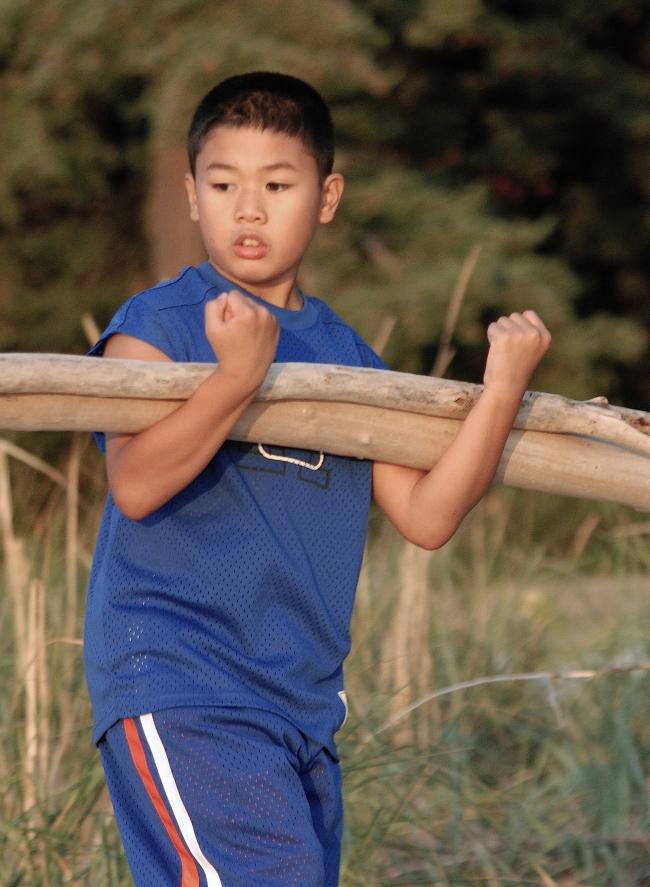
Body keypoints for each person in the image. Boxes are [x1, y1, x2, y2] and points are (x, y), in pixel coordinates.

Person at [85, 71, 551, 886]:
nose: (249, 209)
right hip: (181, 677)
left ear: (327, 196)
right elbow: (135, 484)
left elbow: (430, 514)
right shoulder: (155, 325)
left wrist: (503, 390)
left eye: (277, 183)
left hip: (299, 706)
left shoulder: (347, 356)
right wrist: (233, 379)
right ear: (192, 196)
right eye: (223, 184)